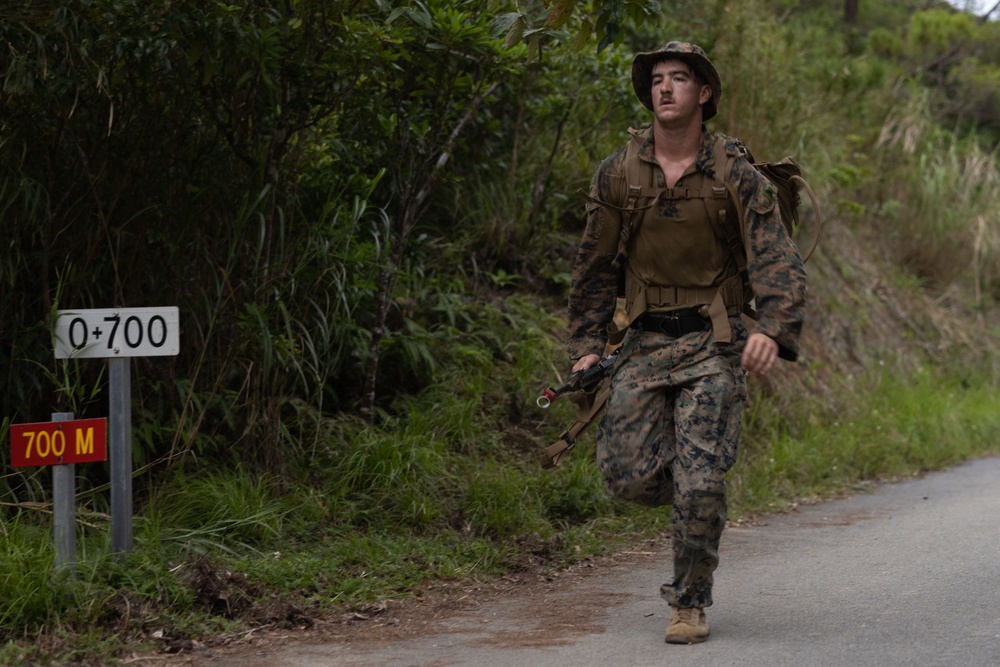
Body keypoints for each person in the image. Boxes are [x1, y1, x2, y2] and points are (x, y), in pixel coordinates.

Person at [566, 42, 807, 644]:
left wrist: (772, 332)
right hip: (644, 343)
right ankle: (701, 492)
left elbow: (780, 262)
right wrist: (588, 345)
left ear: (704, 94)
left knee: (699, 478)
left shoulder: (737, 175)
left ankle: (690, 601)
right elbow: (594, 266)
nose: (665, 88)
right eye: (656, 79)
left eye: (679, 79)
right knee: (625, 477)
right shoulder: (619, 172)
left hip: (714, 342)